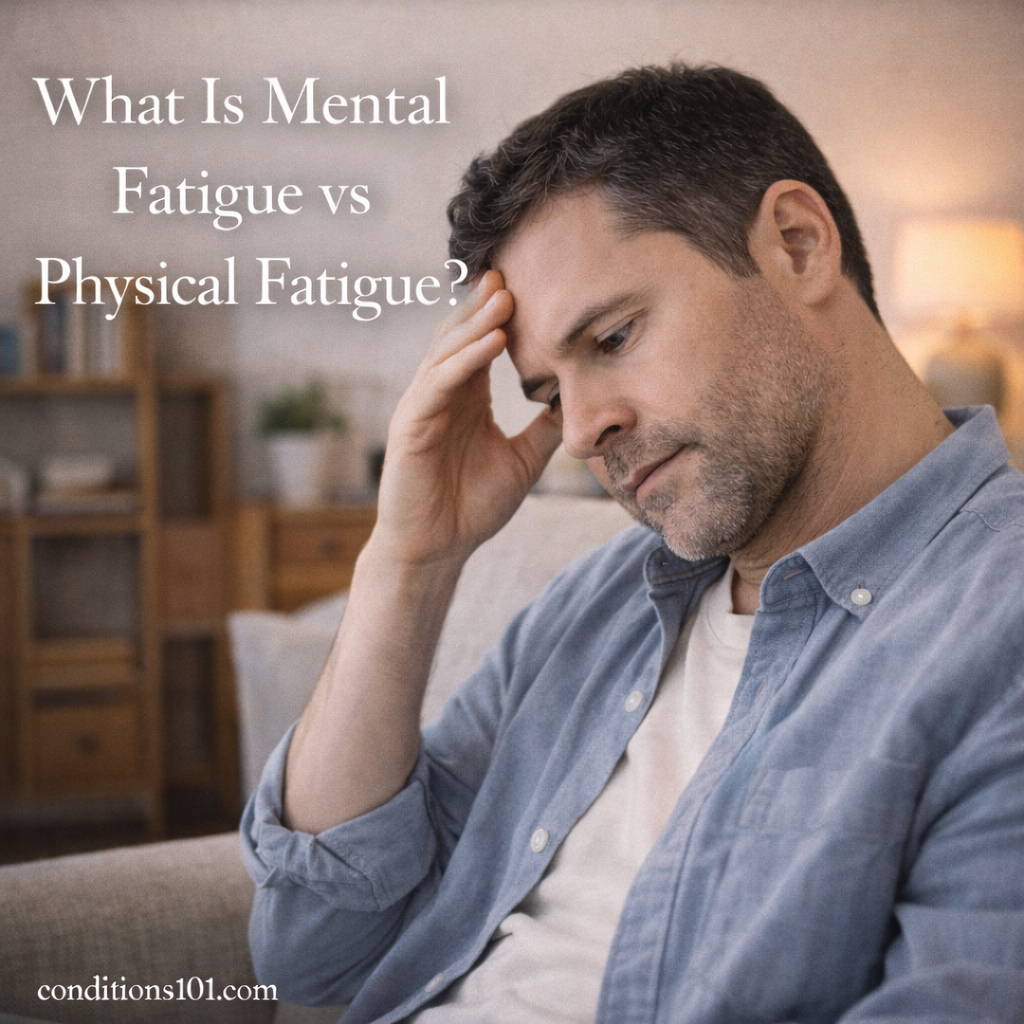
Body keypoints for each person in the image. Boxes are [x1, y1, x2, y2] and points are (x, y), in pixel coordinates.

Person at [241, 65, 1024, 1023]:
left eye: (611, 339)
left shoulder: (997, 622)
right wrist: (409, 562)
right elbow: (311, 953)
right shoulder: (599, 604)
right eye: (547, 393)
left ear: (797, 244)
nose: (579, 433)